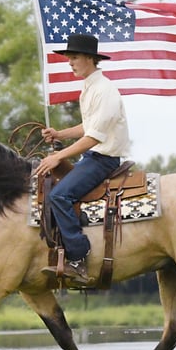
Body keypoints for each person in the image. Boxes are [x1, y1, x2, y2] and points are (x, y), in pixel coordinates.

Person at [35, 33, 131, 285]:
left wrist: (58, 156)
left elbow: (94, 137)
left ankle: (78, 258)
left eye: (74, 57)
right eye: (69, 58)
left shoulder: (105, 90)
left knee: (59, 195)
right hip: (92, 157)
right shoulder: (90, 87)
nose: (70, 62)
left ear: (90, 58)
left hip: (102, 159)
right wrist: (59, 134)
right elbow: (87, 127)